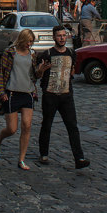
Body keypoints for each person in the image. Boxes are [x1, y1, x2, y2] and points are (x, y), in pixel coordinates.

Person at [37, 25, 90, 170]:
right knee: (47, 125)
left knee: (72, 126)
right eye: (59, 36)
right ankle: (43, 153)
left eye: (63, 35)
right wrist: (42, 70)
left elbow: (72, 70)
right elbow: (38, 74)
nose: (62, 38)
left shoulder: (71, 53)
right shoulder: (47, 54)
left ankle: (79, 157)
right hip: (50, 95)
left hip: (66, 95)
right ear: (54, 37)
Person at [0, 29, 39, 170]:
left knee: (27, 126)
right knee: (12, 129)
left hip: (28, 93)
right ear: (22, 40)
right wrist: (1, 92)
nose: (29, 44)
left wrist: (41, 71)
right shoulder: (9, 53)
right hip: (12, 94)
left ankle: (21, 159)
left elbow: (34, 76)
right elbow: (1, 73)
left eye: (31, 42)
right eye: (27, 41)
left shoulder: (32, 54)